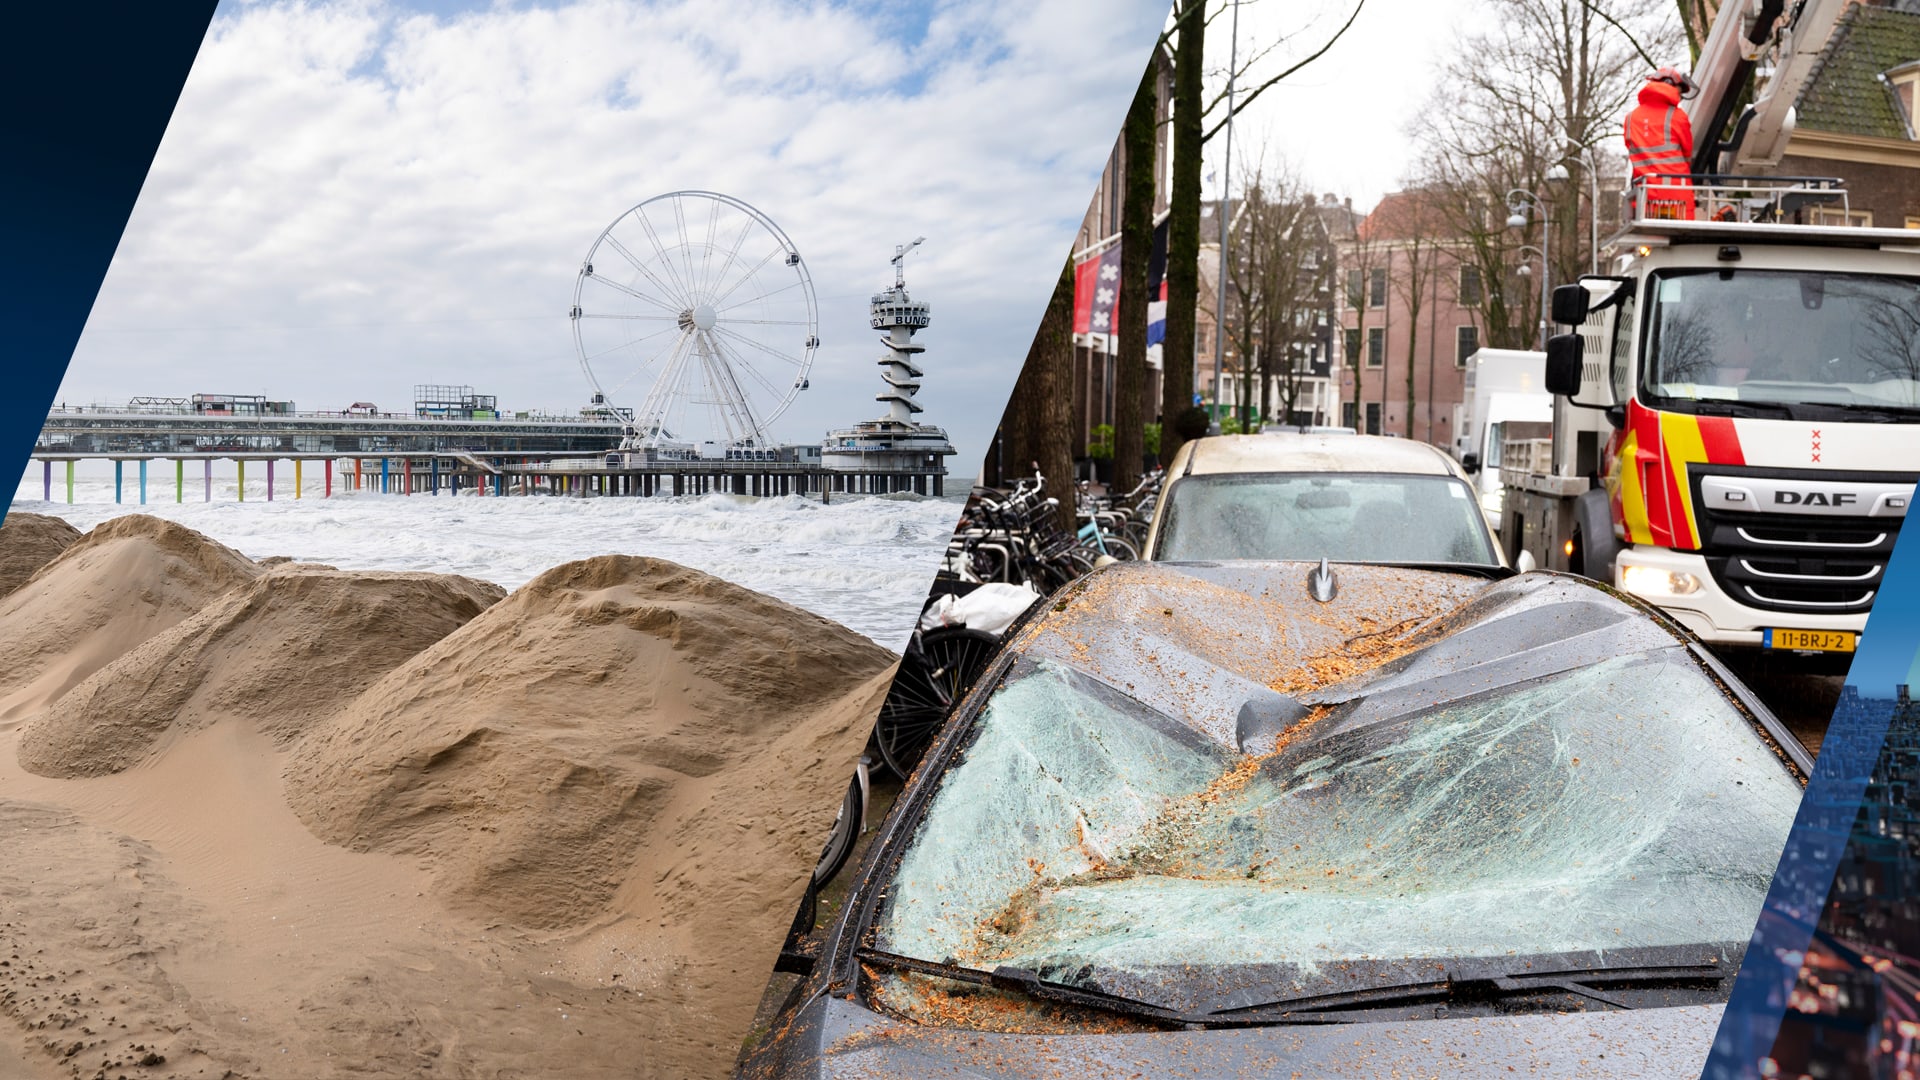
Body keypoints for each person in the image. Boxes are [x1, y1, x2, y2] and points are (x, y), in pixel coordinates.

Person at [1625, 67, 1697, 220]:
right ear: (1670, 84)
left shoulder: (1631, 118)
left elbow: (1632, 150)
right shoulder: (1678, 116)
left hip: (1644, 195)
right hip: (1677, 196)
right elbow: (1687, 153)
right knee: (1681, 232)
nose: (1680, 97)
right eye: (1680, 92)